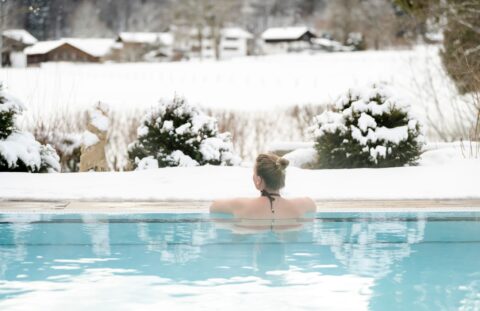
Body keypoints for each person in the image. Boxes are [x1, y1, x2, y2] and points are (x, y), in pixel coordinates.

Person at [210, 153, 316, 219]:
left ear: (259, 180)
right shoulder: (303, 204)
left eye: (254, 174)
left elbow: (213, 207)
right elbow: (312, 205)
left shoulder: (240, 204)